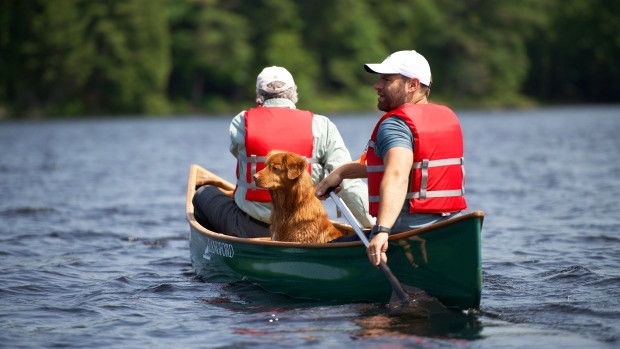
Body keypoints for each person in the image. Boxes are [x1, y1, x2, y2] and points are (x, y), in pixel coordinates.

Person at [316, 50, 467, 266]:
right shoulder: (445, 119)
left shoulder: (395, 124)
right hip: (444, 230)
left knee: (328, 250)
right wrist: (343, 172)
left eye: (386, 80)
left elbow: (396, 175)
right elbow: (399, 168)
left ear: (412, 85)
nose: (377, 86)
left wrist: (381, 231)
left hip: (402, 236)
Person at [193, 66, 375, 238]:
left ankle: (222, 248)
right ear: (294, 95)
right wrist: (373, 224)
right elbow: (348, 183)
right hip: (305, 228)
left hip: (251, 228)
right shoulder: (322, 125)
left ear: (258, 97)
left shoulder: (242, 122)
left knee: (203, 193)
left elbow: (237, 153)